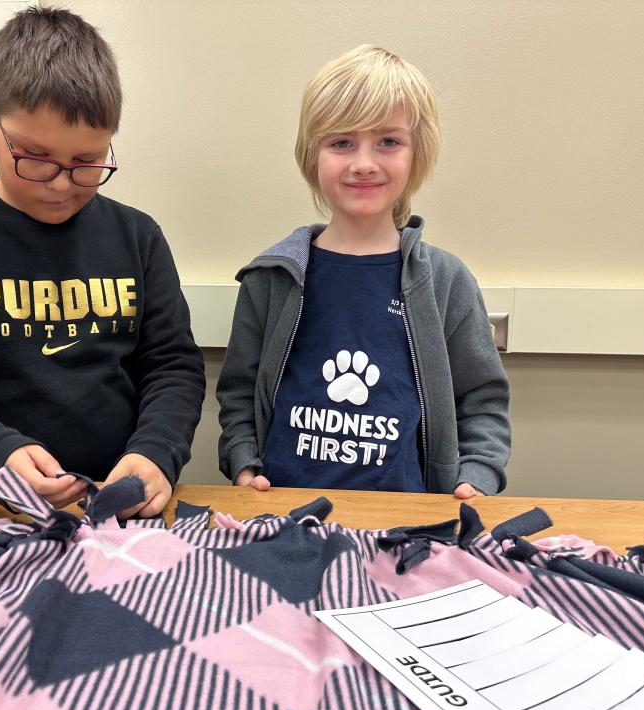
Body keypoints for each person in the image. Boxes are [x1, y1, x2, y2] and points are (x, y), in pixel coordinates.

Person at [0, 8, 205, 517]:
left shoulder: (138, 237)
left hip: (116, 507)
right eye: (36, 157)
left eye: (87, 162)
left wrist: (156, 451)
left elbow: (172, 366)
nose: (62, 183)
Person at [217, 45, 509, 498]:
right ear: (312, 155)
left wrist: (477, 478)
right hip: (284, 508)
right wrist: (242, 465)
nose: (364, 163)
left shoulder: (447, 281)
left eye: (388, 141)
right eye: (341, 142)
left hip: (408, 518)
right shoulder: (270, 278)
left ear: (418, 154)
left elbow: (483, 401)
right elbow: (237, 392)